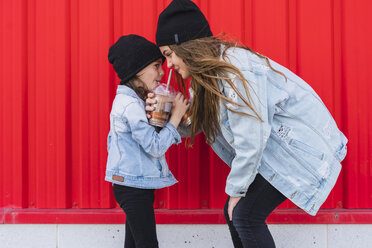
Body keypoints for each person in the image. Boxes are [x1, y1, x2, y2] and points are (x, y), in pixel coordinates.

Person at [146, 0, 348, 247]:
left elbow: (251, 139)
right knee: (237, 213)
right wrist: (169, 116)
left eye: (169, 54)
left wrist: (236, 191)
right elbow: (198, 123)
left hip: (300, 150)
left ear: (187, 46)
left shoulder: (235, 71)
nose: (169, 65)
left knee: (244, 215)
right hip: (273, 151)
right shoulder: (207, 77)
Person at [106, 34, 189, 248]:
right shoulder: (130, 105)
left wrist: (158, 114)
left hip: (132, 183)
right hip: (133, 185)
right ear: (137, 70)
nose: (162, 73)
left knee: (134, 243)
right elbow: (154, 147)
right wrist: (176, 116)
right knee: (147, 243)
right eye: (156, 66)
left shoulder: (132, 101)